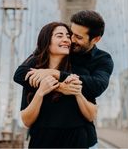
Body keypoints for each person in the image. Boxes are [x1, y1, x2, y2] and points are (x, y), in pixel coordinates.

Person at [14, 10, 114, 147]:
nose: (70, 40)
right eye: (69, 33)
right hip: (41, 140)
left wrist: (55, 74)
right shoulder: (38, 69)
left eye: (77, 37)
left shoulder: (96, 62)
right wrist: (57, 86)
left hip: (78, 139)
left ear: (95, 39)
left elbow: (96, 87)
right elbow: (19, 74)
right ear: (47, 41)